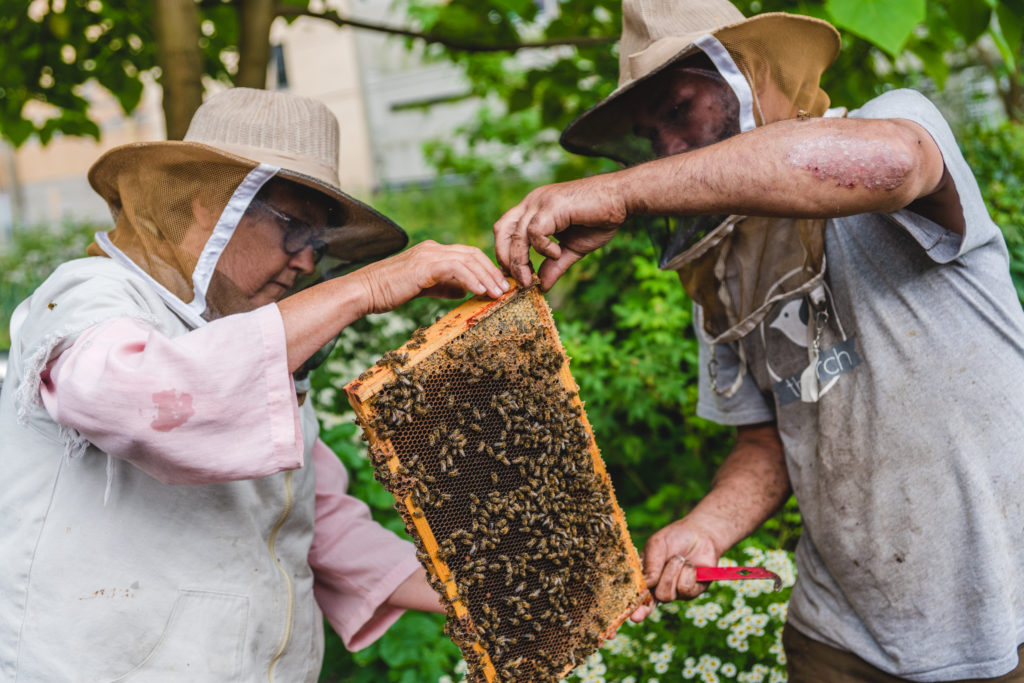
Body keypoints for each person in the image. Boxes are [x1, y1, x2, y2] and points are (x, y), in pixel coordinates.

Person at [492, 1, 1024, 681]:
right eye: (651, 134)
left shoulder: (892, 123)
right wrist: (706, 528)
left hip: (1005, 613)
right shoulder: (718, 272)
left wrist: (621, 192)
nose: (669, 149)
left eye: (681, 111)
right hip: (839, 634)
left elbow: (891, 166)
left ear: (752, 72)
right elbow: (769, 437)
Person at [0, 87, 509, 681]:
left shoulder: (249, 343)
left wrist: (496, 588)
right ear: (204, 205)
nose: (307, 264)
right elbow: (135, 397)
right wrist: (362, 288)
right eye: (295, 228)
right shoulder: (91, 294)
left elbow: (316, 526)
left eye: (318, 244)